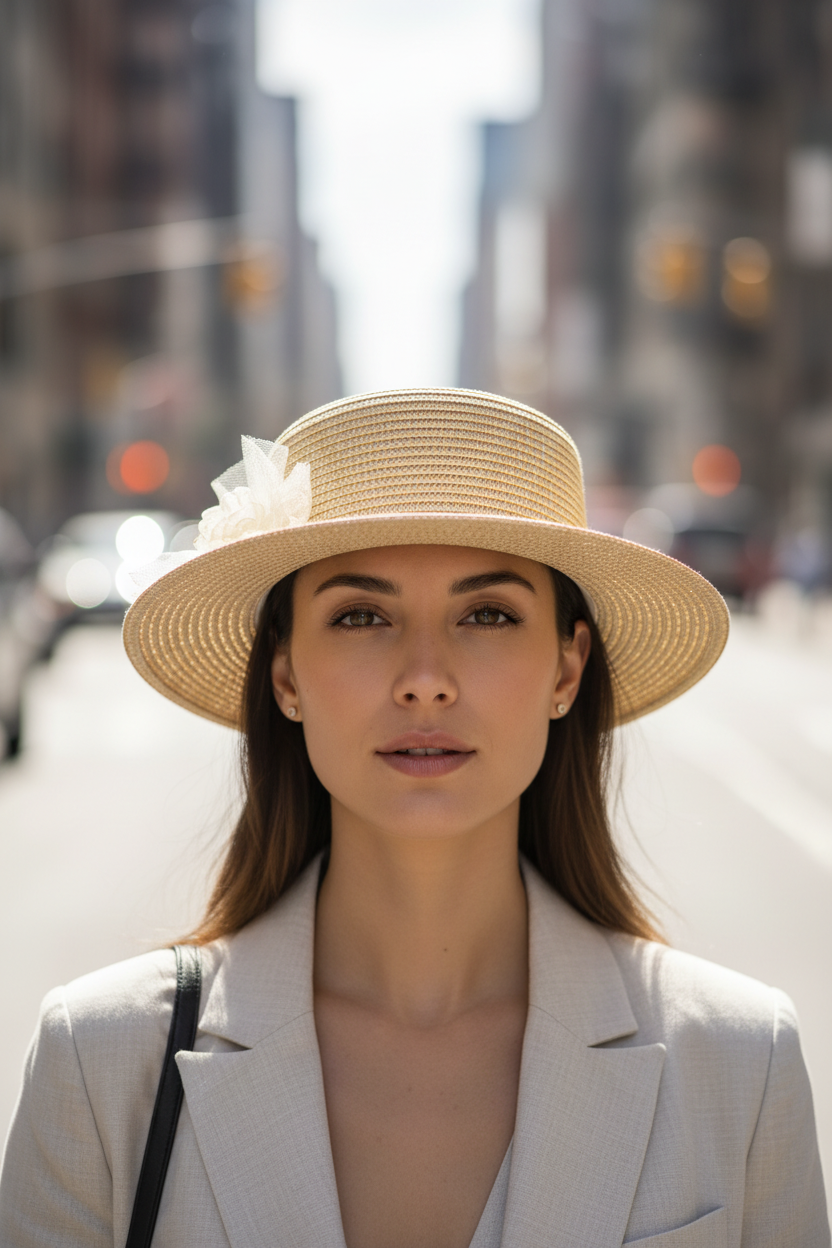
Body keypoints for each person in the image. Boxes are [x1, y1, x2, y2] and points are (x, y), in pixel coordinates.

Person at [0, 388, 828, 1247]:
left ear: (567, 669)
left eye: (488, 615)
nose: (425, 678)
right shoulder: (100, 1066)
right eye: (362, 616)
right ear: (284, 672)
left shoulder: (739, 1064)